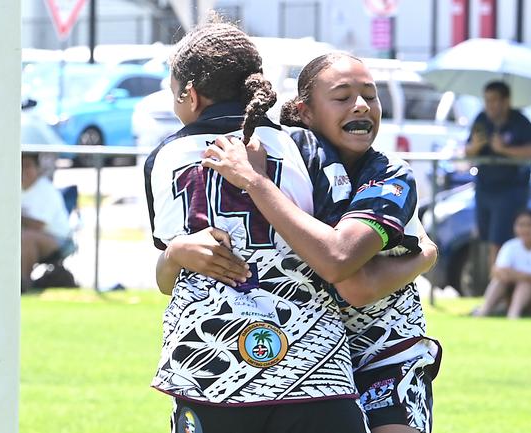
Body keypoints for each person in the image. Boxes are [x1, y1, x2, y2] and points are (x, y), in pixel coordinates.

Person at [144, 21, 369, 433]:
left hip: (211, 368)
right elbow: (344, 250)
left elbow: (166, 279)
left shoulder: (165, 157)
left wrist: (174, 253)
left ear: (188, 94)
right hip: (312, 366)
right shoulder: (303, 147)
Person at [200, 52, 442, 433]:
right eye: (343, 97)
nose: (362, 105)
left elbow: (347, 275)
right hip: (306, 352)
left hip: (384, 348)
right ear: (305, 111)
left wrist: (256, 182)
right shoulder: (285, 163)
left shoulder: (390, 175)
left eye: (370, 95)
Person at [465, 80, 531, 266]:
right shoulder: (481, 119)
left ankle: (496, 288)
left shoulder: (519, 121)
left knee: (498, 241)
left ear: (506, 101)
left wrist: (505, 150)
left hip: (510, 190)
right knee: (486, 237)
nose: (490, 105)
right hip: (484, 188)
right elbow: (467, 152)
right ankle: (497, 285)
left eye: (494, 100)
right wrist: (475, 147)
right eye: (487, 100)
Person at [473, 209, 531, 319]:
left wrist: (520, 275)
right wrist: (510, 275)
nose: (525, 229)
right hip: (516, 293)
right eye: (521, 225)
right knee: (500, 281)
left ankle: (513, 314)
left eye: (530, 225)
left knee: (526, 283)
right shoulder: (510, 246)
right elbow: (497, 272)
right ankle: (485, 310)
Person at [21, 153, 73, 292]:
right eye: (20, 166)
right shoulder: (15, 189)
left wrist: (15, 217)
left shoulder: (45, 190)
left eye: (28, 166)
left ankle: (23, 284)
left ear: (37, 169)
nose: (23, 171)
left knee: (27, 238)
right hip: (27, 235)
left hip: (58, 239)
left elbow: (38, 226)